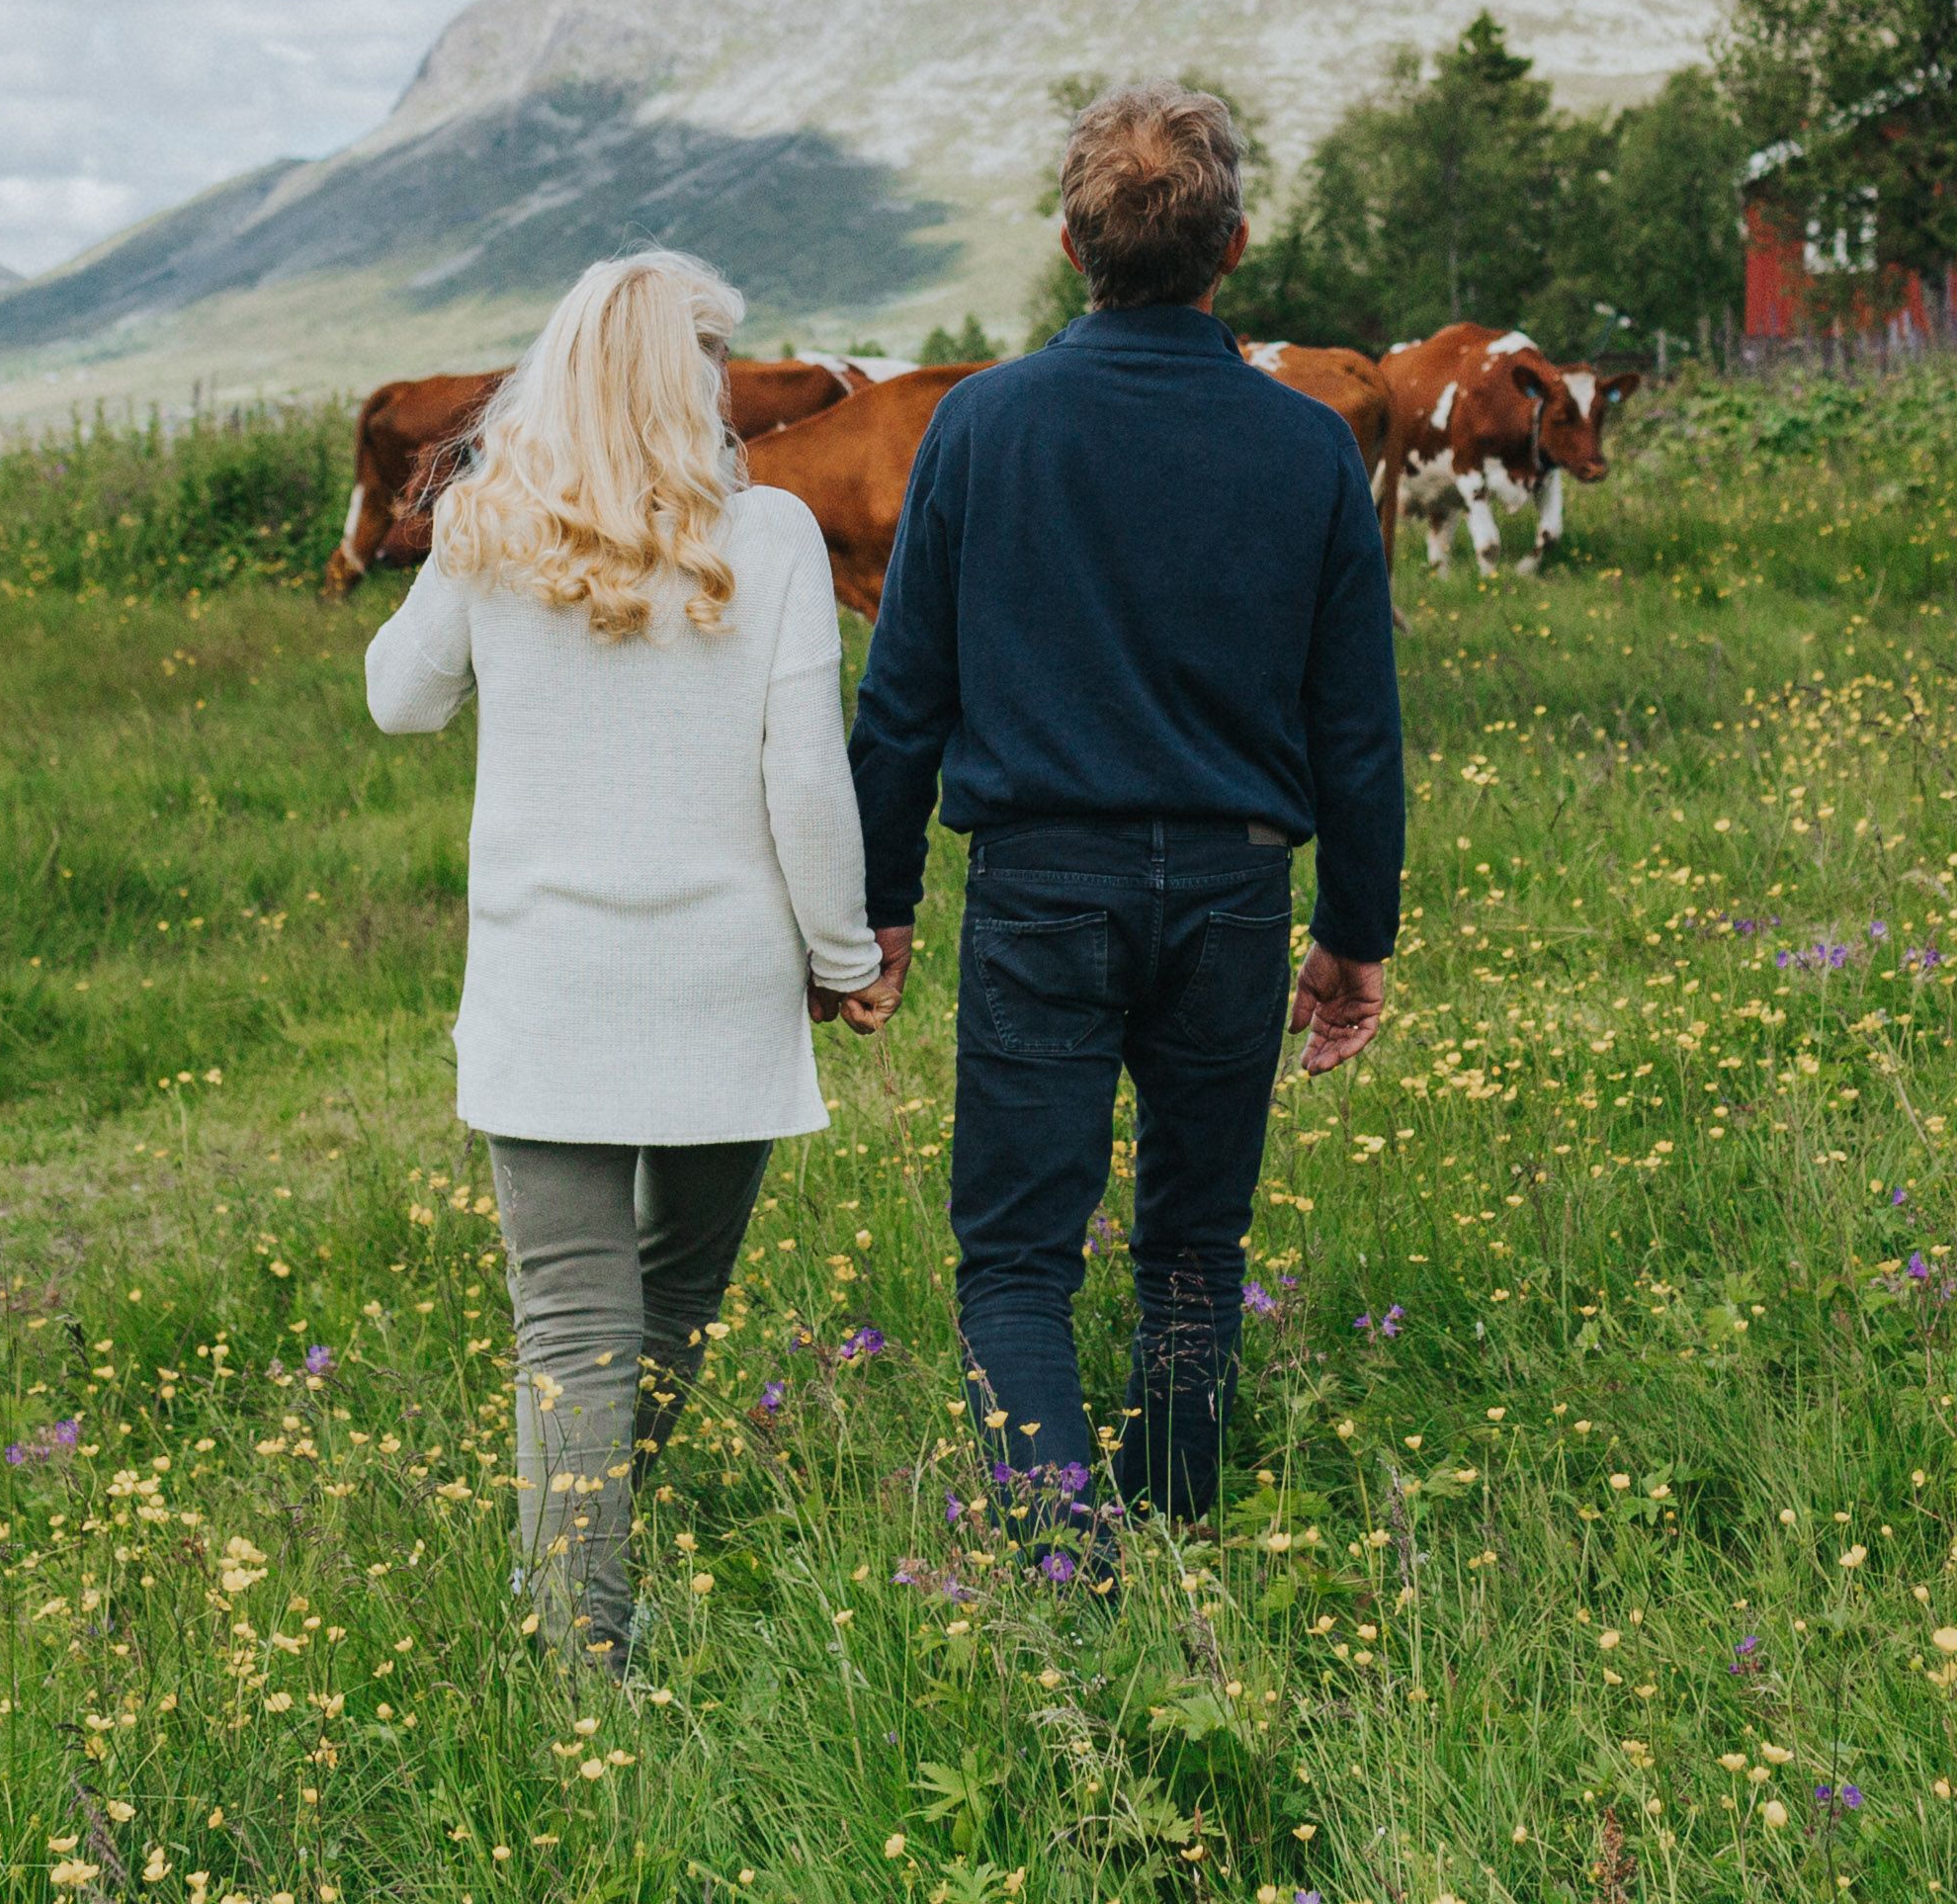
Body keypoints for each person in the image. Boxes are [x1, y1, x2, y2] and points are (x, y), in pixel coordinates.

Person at [847, 85, 1404, 1536]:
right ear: (1232, 248)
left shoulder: (981, 429)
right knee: (1194, 1253)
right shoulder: (1306, 450)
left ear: (1067, 244)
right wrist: (1356, 934)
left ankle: (1059, 1554)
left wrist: (880, 905)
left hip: (1043, 883)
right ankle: (1168, 1534)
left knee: (1018, 1261)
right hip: (1233, 891)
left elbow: (904, 698)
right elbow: (1357, 722)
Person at [366, 248, 887, 1668]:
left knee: (571, 1325)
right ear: (685, 380)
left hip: (546, 992)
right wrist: (845, 960)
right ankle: (582, 1588)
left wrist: (452, 530)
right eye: (712, 359)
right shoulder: (767, 536)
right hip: (724, 986)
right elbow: (805, 782)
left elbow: (399, 702)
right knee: (673, 1297)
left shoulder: (487, 522)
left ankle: (571, 1614)